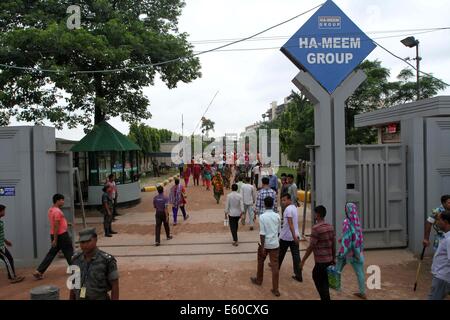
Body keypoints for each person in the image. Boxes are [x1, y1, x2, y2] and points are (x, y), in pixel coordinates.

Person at [70, 228, 119, 300]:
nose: (85, 245)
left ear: (96, 240)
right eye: (82, 242)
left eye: (88, 241)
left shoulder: (107, 260)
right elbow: (74, 284)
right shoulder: (76, 259)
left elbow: (115, 286)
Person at [33, 194, 74, 280]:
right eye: (62, 200)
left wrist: (66, 224)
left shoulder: (51, 210)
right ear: (57, 201)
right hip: (62, 236)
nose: (63, 202)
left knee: (51, 254)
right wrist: (55, 239)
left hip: (54, 235)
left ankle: (39, 271)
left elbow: (56, 222)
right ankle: (75, 270)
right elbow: (56, 225)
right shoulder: (57, 212)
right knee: (69, 252)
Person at [300, 205, 336, 301]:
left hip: (320, 262)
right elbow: (333, 244)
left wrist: (303, 260)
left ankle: (324, 298)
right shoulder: (330, 227)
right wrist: (333, 258)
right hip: (329, 260)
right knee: (324, 282)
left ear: (318, 215)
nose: (314, 215)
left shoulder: (316, 229)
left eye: (315, 213)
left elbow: (311, 246)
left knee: (317, 278)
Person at [250, 197, 282, 297]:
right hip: (275, 244)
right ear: (272, 204)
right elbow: (278, 231)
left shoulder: (262, 216)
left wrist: (263, 247)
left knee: (260, 262)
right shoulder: (277, 216)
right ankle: (275, 289)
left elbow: (262, 233)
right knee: (275, 266)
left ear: (264, 204)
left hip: (264, 244)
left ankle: (259, 280)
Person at [336, 203, 367, 300]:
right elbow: (356, 237)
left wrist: (342, 252)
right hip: (358, 251)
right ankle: (362, 292)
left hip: (349, 252)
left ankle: (335, 286)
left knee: (338, 267)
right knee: (360, 272)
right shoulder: (356, 220)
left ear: (346, 210)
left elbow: (347, 238)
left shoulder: (346, 221)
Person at [278, 193, 303, 282]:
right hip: (295, 235)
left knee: (280, 254)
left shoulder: (288, 209)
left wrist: (294, 236)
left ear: (289, 200)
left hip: (287, 236)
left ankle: (276, 270)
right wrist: (295, 236)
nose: (283, 202)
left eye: (284, 200)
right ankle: (299, 275)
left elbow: (290, 224)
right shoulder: (294, 208)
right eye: (282, 200)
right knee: (296, 256)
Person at [0, 204, 25, 284]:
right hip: (0, 247)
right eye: (3, 210)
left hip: (2, 245)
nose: (4, 212)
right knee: (8, 259)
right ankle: (12, 277)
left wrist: (6, 241)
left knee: (9, 258)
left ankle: (12, 276)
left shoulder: (0, 221)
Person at [428, 211, 450, 300]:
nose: (437, 222)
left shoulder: (449, 239)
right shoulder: (446, 236)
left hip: (442, 278)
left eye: (439, 220)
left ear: (445, 221)